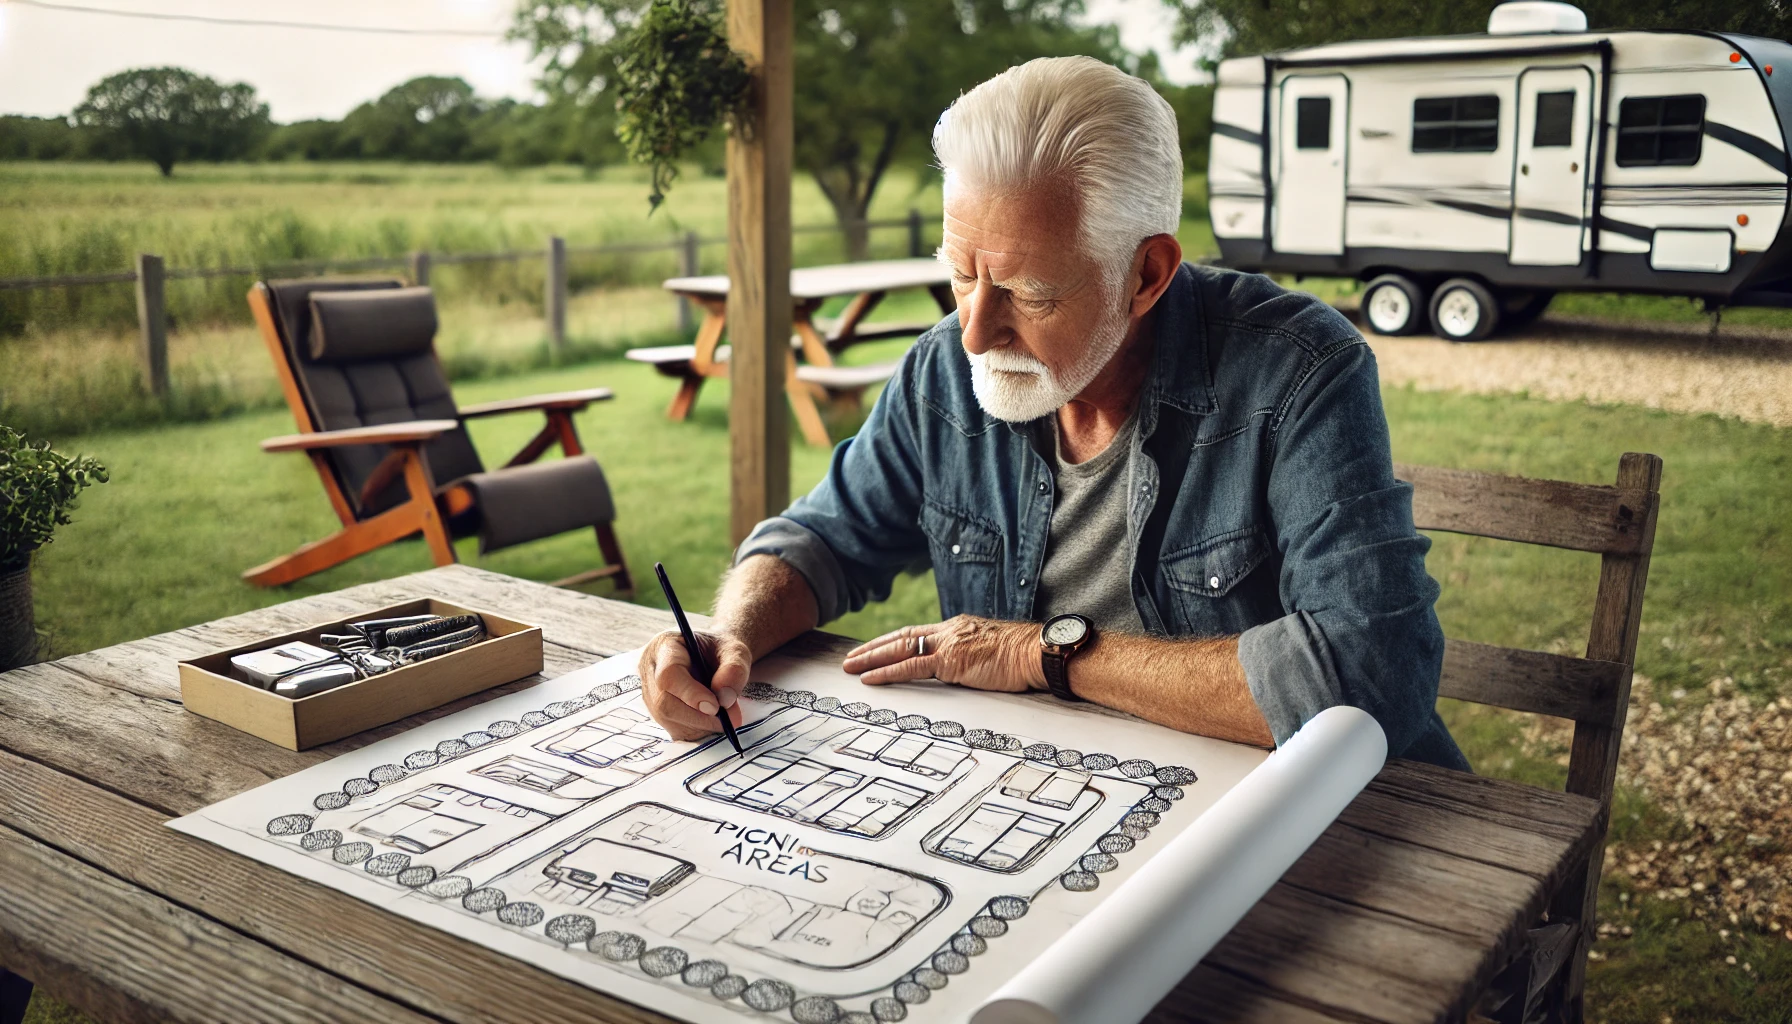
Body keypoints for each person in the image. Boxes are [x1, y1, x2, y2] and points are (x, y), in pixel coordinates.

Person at [638, 55, 1468, 770]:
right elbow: (819, 540)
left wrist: (1040, 654)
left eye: (1029, 293)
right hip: (1053, 797)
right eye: (961, 273)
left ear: (1146, 276)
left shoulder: (1298, 371)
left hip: (1290, 817)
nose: (975, 328)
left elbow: (1370, 675)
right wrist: (729, 635)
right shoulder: (944, 370)